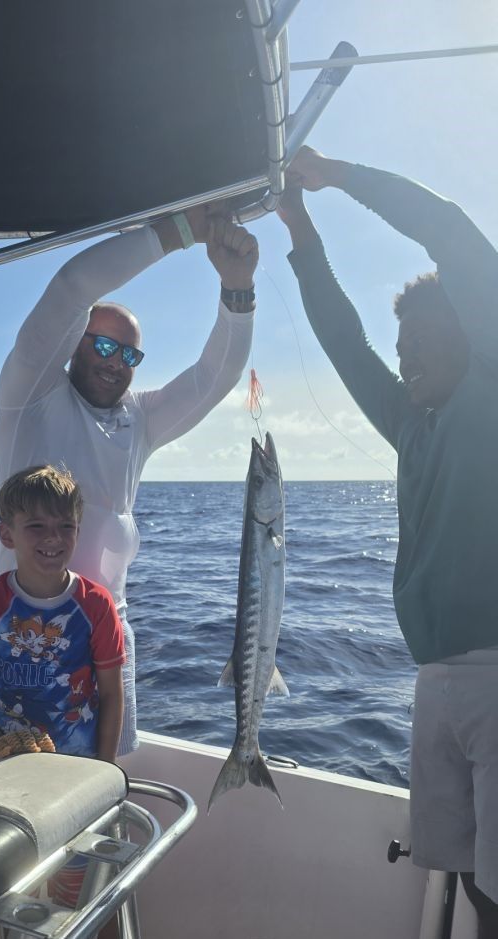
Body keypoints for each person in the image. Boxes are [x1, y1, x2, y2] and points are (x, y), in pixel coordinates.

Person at [277, 145, 498, 937]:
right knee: (469, 873)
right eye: (399, 349)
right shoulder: (411, 428)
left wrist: (337, 176)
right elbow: (343, 339)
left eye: (417, 345)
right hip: (432, 678)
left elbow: (450, 232)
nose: (401, 359)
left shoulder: (490, 389)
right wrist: (299, 228)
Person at [0, 206, 259, 760]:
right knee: (14, 793)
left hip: (108, 642)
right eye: (104, 345)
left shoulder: (142, 419)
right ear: (73, 343)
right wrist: (185, 230)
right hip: (21, 637)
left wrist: (238, 289)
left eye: (130, 354)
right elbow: (71, 286)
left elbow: (215, 377)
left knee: (100, 797)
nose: (116, 362)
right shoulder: (31, 392)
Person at [0, 464, 126, 914]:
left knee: (74, 895)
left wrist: (102, 776)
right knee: (11, 891)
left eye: (65, 526)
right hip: (1, 773)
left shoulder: (96, 604)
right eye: (36, 526)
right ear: (7, 535)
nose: (53, 538)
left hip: (75, 773)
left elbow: (111, 695)